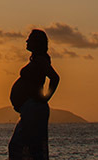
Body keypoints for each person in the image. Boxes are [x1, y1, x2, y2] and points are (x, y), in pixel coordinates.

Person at [8, 28, 60, 160]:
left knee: (23, 146)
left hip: (34, 108)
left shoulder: (41, 60)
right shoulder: (37, 60)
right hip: (29, 109)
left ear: (37, 42)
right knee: (24, 146)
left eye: (29, 39)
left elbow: (55, 78)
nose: (26, 41)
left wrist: (45, 97)